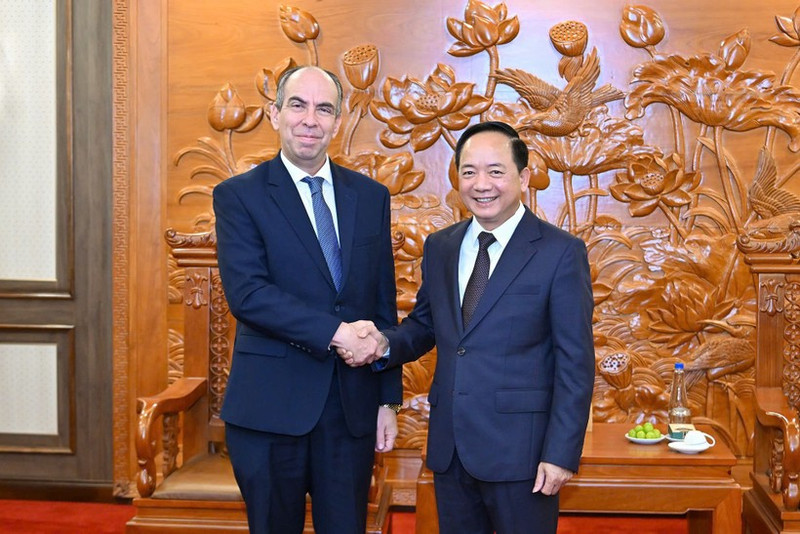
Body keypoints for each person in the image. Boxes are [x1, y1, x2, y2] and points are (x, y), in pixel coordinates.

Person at [347, 121, 595, 534]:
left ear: (524, 177)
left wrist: (561, 453)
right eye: (469, 172)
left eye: (496, 171)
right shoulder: (441, 246)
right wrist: (381, 343)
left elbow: (576, 363)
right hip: (451, 448)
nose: (481, 184)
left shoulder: (560, 252)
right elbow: (425, 326)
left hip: (525, 455)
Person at [212, 65, 402, 534]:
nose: (309, 119)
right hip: (270, 409)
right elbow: (249, 294)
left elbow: (382, 302)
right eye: (297, 105)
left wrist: (388, 401)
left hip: (350, 409)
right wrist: (337, 333)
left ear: (338, 121)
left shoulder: (371, 196)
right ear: (275, 113)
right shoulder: (239, 196)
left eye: (324, 108)